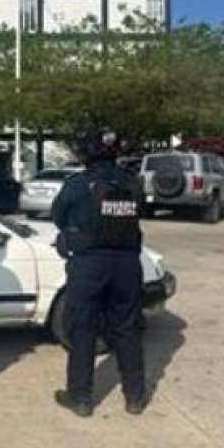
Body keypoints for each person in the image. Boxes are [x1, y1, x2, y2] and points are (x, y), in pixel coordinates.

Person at [51, 125, 146, 417]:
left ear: (86, 153)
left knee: (82, 329)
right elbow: (140, 212)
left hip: (90, 264)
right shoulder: (132, 182)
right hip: (127, 264)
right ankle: (135, 397)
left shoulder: (79, 183)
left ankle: (80, 397)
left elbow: (58, 215)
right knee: (128, 328)